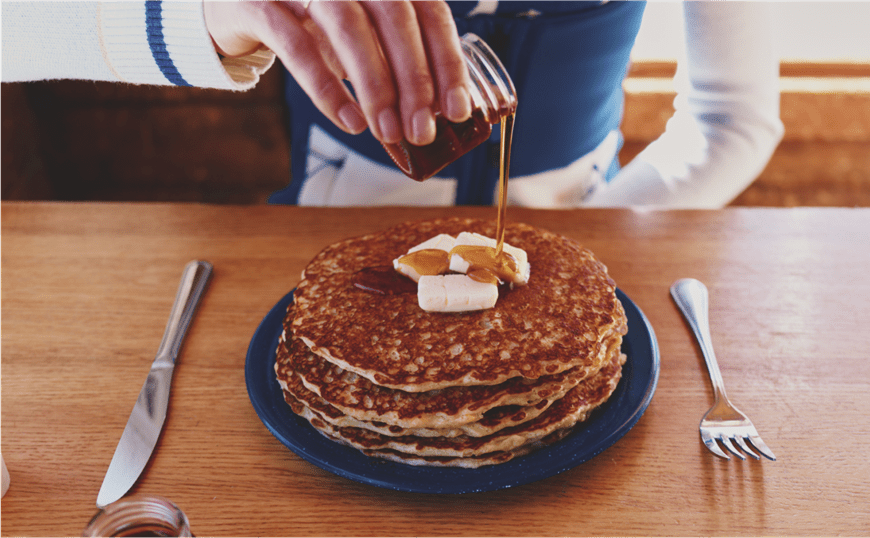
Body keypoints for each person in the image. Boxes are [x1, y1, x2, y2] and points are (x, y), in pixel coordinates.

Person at [1, 0, 783, 208]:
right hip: (325, 232)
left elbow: (731, 121)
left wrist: (595, 242)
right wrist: (203, 14)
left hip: (589, 218)